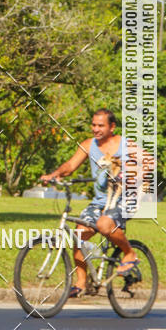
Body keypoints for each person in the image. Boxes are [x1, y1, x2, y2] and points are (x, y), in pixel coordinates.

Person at [41, 108, 140, 297]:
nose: (95, 129)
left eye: (100, 125)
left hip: (125, 199)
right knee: (79, 234)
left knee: (104, 224)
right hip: (101, 202)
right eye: (93, 125)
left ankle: (129, 253)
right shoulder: (88, 145)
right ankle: (81, 283)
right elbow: (70, 166)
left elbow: (146, 163)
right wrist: (54, 175)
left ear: (112, 127)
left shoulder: (126, 145)